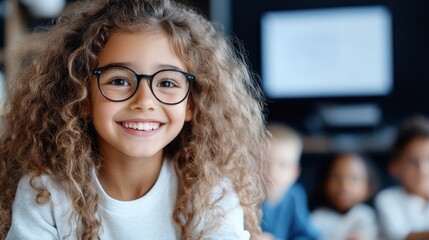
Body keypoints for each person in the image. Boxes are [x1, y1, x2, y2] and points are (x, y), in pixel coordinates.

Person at [0, 0, 270, 239]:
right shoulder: (45, 193)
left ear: (192, 103)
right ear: (81, 97)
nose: (144, 101)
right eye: (119, 80)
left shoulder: (211, 195)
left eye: (166, 82)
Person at [254, 123, 319, 240]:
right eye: (265, 162)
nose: (272, 172)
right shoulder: (244, 194)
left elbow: (308, 236)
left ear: (295, 173)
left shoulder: (295, 195)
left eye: (283, 165)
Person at [375, 116, 429, 240]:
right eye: (412, 161)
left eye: (428, 159)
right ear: (395, 166)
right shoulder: (387, 199)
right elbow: (399, 236)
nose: (422, 169)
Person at [312, 153, 379, 240]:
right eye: (336, 177)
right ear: (324, 182)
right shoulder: (317, 218)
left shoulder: (366, 215)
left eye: (354, 178)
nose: (344, 186)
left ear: (369, 188)